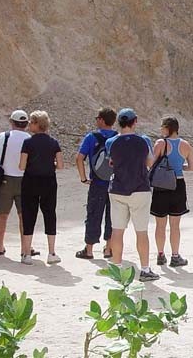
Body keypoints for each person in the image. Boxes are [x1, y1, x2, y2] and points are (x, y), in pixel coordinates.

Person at [105, 108, 158, 281]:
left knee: (117, 231)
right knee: (141, 232)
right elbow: (150, 162)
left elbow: (111, 162)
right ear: (135, 121)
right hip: (140, 189)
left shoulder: (111, 142)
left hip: (118, 189)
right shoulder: (143, 141)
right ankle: (145, 269)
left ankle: (117, 269)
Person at [19, 111, 63, 265]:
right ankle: (51, 253)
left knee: (29, 216)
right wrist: (50, 165)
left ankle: (27, 254)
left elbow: (21, 166)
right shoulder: (54, 142)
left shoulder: (28, 143)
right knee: (50, 214)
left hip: (30, 182)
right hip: (49, 182)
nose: (29, 124)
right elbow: (61, 165)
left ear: (37, 124)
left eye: (31, 122)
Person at [151, 116, 193, 267]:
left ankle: (160, 254)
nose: (160, 130)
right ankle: (175, 256)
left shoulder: (160, 143)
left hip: (161, 185)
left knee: (160, 224)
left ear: (167, 128)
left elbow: (151, 163)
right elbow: (192, 167)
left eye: (162, 127)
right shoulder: (185, 145)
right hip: (178, 184)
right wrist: (178, 167)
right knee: (175, 224)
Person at [75, 108, 118, 260]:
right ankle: (108, 248)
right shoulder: (118, 138)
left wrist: (83, 178)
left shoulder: (91, 137)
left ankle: (89, 250)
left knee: (93, 214)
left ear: (101, 119)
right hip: (115, 184)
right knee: (112, 216)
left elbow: (79, 158)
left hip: (97, 183)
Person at [0, 110, 36, 257]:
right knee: (24, 216)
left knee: (2, 215)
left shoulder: (2, 137)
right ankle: (25, 248)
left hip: (4, 180)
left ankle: (0, 247)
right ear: (26, 124)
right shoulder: (30, 139)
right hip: (25, 180)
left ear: (12, 122)